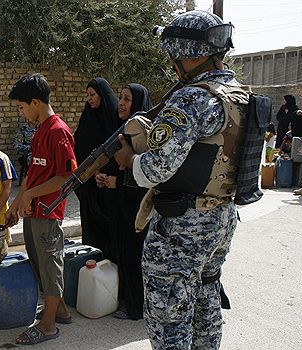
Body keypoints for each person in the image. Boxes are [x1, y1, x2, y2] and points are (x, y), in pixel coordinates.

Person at [114, 10, 246, 349]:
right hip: (222, 218)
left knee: (169, 317)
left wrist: (130, 161)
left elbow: (157, 168)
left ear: (185, 53)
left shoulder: (192, 98)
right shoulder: (239, 94)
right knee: (206, 302)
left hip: (182, 226)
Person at [5, 73, 77, 345]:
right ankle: (59, 310)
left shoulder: (58, 131)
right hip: (33, 210)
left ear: (35, 102)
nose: (22, 113)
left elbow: (66, 176)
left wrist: (31, 195)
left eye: (22, 107)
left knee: (50, 265)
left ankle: (47, 326)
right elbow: (32, 174)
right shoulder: (40, 131)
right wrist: (16, 203)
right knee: (38, 261)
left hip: (48, 211)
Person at [98, 83, 152, 320]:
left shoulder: (142, 133)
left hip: (137, 206)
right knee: (126, 251)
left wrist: (115, 181)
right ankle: (131, 300)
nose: (120, 103)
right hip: (124, 202)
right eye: (120, 97)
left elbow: (143, 174)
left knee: (135, 253)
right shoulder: (123, 130)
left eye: (127, 99)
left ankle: (136, 306)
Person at [73, 77, 119, 261]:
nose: (89, 99)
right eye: (87, 95)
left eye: (92, 94)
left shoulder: (115, 120)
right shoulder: (87, 120)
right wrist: (93, 174)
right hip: (91, 188)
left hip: (112, 188)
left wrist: (110, 175)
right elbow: (78, 152)